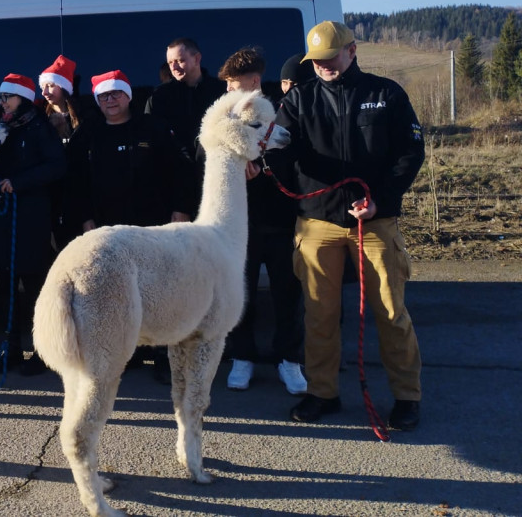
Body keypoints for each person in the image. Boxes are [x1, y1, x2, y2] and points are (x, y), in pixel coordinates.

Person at [271, 21, 425, 431]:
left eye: (330, 58)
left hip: (375, 222)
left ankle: (407, 397)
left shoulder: (385, 94)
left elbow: (411, 152)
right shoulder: (300, 100)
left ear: (352, 50)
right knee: (320, 314)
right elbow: (278, 147)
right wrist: (262, 160)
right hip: (318, 223)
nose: (323, 66)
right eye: (316, 61)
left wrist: (381, 199)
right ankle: (323, 393)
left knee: (391, 312)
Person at [65, 69, 192, 384]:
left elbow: (181, 172)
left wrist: (181, 209)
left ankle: (164, 354)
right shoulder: (88, 135)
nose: (111, 100)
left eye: (116, 94)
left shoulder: (154, 128)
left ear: (128, 96)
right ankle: (130, 350)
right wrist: (85, 219)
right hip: (108, 231)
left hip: (154, 227)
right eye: (104, 96)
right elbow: (75, 183)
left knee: (158, 292)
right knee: (119, 293)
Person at [215, 48, 306, 396]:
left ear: (254, 82)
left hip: (282, 221)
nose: (228, 92)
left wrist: (265, 168)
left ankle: (289, 359)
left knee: (287, 294)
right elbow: (204, 154)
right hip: (241, 225)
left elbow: (298, 158)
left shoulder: (284, 113)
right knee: (241, 294)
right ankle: (243, 356)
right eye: (227, 86)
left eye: (234, 85)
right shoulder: (225, 116)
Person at [0, 73, 66, 376]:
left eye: (8, 97)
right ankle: (12, 347)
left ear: (23, 98)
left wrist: (19, 182)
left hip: (30, 216)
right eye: (1, 97)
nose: (2, 103)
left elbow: (57, 166)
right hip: (5, 217)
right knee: (6, 286)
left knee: (35, 287)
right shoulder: (2, 129)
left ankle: (43, 351)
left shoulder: (39, 128)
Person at [144, 37, 226, 213]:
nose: (174, 67)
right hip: (173, 185)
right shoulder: (159, 98)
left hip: (216, 180)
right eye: (170, 62)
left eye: (180, 61)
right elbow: (150, 143)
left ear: (196, 59)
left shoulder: (220, 91)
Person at [38, 55, 82, 143]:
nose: (44, 92)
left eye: (50, 86)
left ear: (64, 88)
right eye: (42, 87)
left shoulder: (83, 117)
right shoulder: (40, 117)